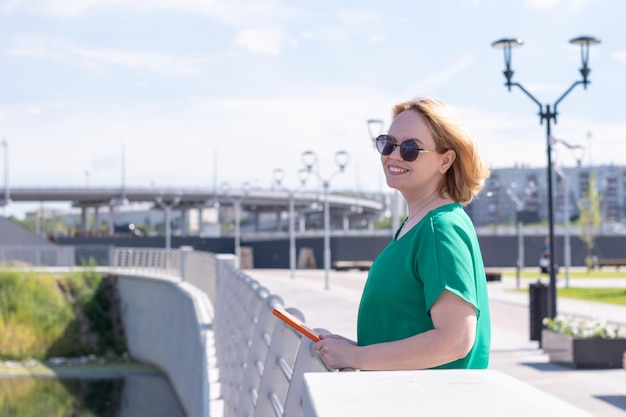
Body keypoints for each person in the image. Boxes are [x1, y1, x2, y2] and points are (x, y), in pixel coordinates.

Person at [314, 97, 491, 370]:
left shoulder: (439, 229)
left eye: (411, 148)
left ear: (445, 160)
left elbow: (455, 340)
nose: (394, 155)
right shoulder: (418, 225)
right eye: (388, 143)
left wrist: (356, 358)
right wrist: (353, 349)